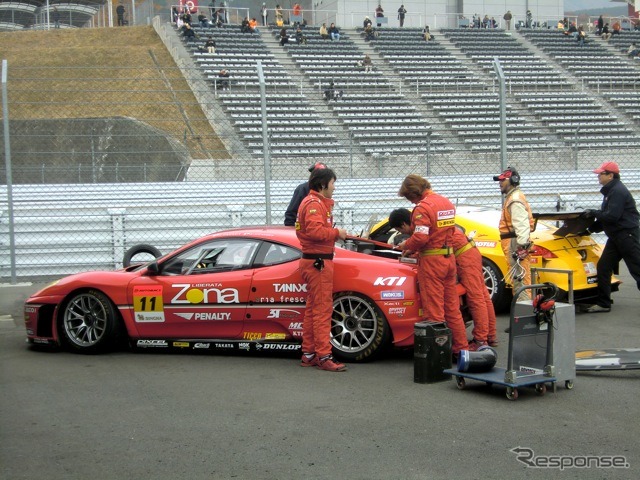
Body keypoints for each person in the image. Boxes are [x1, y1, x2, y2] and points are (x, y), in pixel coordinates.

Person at [389, 208, 497, 349]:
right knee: (482, 295)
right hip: (468, 253)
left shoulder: (420, 228)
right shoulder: (425, 223)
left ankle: (481, 339)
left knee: (476, 298)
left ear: (403, 224)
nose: (403, 233)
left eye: (401, 230)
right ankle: (489, 336)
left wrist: (408, 247)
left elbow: (429, 247)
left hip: (464, 256)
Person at [395, 175, 470, 358]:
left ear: (413, 193)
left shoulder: (422, 208)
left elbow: (421, 237)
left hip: (432, 263)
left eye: (408, 197)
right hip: (449, 258)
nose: (410, 201)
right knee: (452, 308)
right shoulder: (445, 202)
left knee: (434, 310)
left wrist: (407, 246)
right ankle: (461, 350)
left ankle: (438, 355)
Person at [296, 167, 348, 372]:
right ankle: (323, 355)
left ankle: (309, 353)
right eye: (333, 183)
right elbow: (316, 231)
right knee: (322, 311)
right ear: (323, 184)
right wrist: (338, 232)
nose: (334, 188)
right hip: (318, 263)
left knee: (312, 310)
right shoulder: (314, 204)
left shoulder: (313, 203)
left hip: (314, 260)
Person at [582, 162, 640, 313]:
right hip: (617, 237)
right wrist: (588, 229)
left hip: (626, 236)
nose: (598, 177)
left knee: (637, 270)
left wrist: (593, 213)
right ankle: (603, 303)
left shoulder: (617, 192)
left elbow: (612, 217)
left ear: (610, 175)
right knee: (604, 267)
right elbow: (606, 219)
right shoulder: (611, 191)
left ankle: (603, 302)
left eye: (600, 174)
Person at [493, 167, 534, 301]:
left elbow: (522, 225)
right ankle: (523, 307)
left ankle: (524, 309)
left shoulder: (514, 200)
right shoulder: (513, 197)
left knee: (520, 278)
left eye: (502, 180)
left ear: (512, 180)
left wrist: (521, 246)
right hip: (514, 242)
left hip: (514, 243)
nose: (500, 183)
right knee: (519, 277)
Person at [285, 163, 327, 227]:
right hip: (304, 231)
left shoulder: (326, 190)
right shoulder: (302, 189)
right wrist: (293, 230)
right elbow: (291, 214)